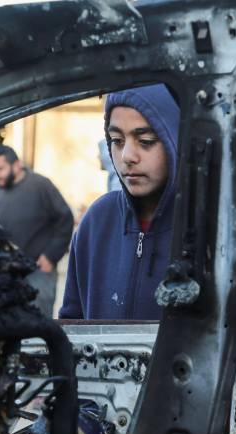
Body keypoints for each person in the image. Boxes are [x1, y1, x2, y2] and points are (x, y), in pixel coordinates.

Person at [59, 84, 179, 320]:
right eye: (117, 140)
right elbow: (71, 322)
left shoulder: (214, 226)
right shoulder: (97, 220)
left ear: (176, 140)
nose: (127, 156)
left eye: (145, 141)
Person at [0, 145, 74, 317]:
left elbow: (65, 219)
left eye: (0, 169)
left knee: (38, 324)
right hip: (6, 274)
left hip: (38, 272)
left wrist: (51, 256)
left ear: (16, 165)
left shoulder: (41, 185)